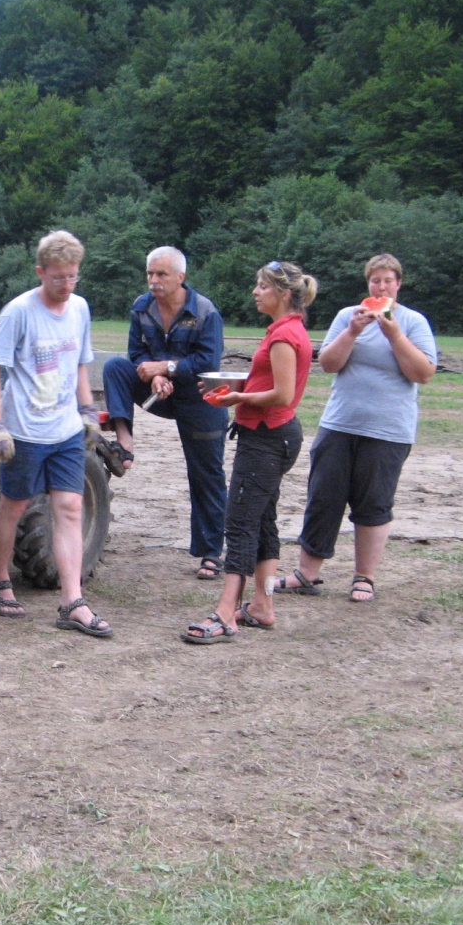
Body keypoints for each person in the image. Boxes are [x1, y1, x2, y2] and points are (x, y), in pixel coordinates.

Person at [273, 253, 436, 603]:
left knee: (374, 503)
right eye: (375, 281)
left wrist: (393, 334)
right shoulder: (348, 316)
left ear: (398, 284)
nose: (381, 286)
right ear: (368, 284)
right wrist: (352, 332)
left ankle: (364, 577)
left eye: (387, 280)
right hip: (341, 423)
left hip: (389, 430)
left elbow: (422, 373)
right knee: (323, 497)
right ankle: (307, 574)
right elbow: (328, 364)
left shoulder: (413, 322)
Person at [0, 230, 112, 638]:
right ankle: (1, 581)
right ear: (41, 272)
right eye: (59, 278)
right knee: (13, 507)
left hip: (65, 430)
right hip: (25, 431)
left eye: (73, 277)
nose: (67, 285)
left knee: (70, 509)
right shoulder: (19, 312)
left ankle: (72, 601)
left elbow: (78, 365)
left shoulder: (80, 309)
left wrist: (87, 408)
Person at [182, 261, 315, 644]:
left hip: (266, 437)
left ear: (283, 294)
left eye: (262, 286)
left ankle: (226, 613)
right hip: (274, 435)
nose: (256, 292)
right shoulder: (287, 330)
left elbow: (284, 394)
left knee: (239, 522)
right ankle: (261, 606)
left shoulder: (283, 337)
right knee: (262, 520)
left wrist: (238, 396)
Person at [102, 246, 229, 580]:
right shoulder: (141, 306)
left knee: (206, 474)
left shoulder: (205, 311)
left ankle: (211, 553)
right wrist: (155, 373)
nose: (153, 281)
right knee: (115, 367)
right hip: (159, 388)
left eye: (161, 274)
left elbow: (208, 362)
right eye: (150, 274)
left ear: (180, 277)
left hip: (201, 396)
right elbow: (135, 352)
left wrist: (168, 368)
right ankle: (124, 440)